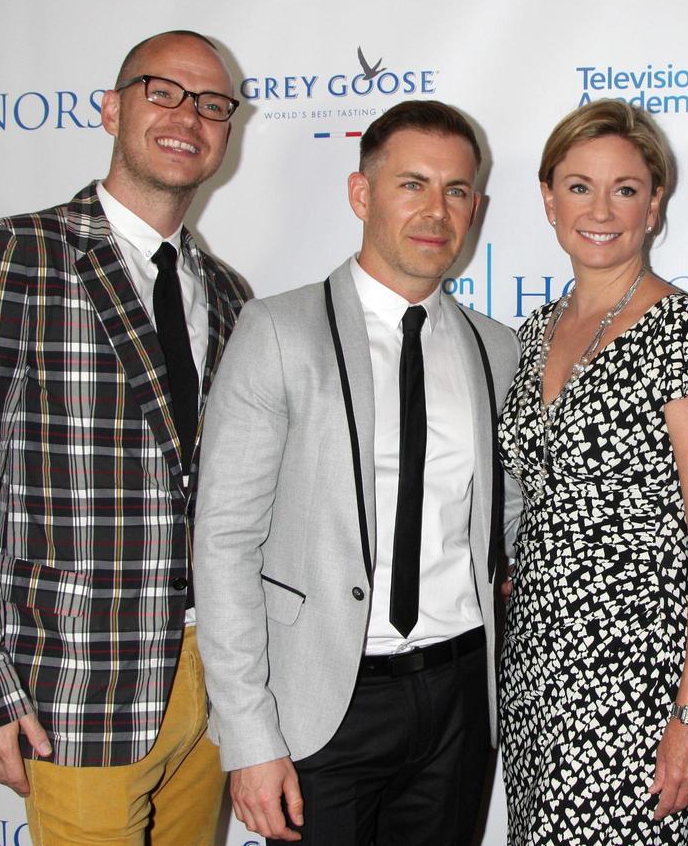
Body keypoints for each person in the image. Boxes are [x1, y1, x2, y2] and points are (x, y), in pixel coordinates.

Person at [0, 30, 250, 844]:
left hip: (212, 686)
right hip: (76, 685)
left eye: (211, 104)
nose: (187, 116)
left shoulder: (230, 294)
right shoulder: (14, 255)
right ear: (112, 106)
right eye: (161, 91)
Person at [193, 99, 521, 845]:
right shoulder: (278, 330)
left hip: (459, 697)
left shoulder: (496, 350)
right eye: (412, 184)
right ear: (361, 194)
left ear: (477, 207)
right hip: (320, 706)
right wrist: (248, 734)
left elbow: (508, 521)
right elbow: (224, 543)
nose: (437, 211)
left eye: (457, 190)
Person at [498, 99, 688, 845]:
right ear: (548, 199)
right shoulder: (538, 329)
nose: (600, 209)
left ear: (655, 203)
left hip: (633, 685)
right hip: (535, 672)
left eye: (626, 188)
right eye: (579, 187)